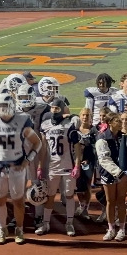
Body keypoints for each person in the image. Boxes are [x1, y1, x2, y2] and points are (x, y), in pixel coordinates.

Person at [0, 93, 43, 245]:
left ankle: (19, 229)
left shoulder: (22, 119)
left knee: (18, 201)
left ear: (11, 105)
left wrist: (28, 160)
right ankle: (2, 228)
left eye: (4, 106)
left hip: (17, 166)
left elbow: (37, 142)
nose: (2, 109)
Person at [95, 112, 127, 241]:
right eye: (117, 120)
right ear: (110, 123)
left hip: (123, 175)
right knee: (110, 201)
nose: (121, 122)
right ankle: (111, 229)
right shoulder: (102, 139)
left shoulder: (125, 138)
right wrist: (119, 172)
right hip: (110, 174)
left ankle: (122, 229)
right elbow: (104, 160)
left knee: (121, 201)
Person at [36, 97, 81, 237]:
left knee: (68, 195)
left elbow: (77, 146)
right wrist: (39, 167)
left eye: (57, 108)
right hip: (53, 166)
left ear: (62, 109)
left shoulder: (70, 124)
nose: (54, 111)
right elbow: (43, 148)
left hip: (67, 165)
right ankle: (46, 223)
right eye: (53, 108)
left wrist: (77, 166)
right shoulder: (45, 125)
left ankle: (69, 223)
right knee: (50, 195)